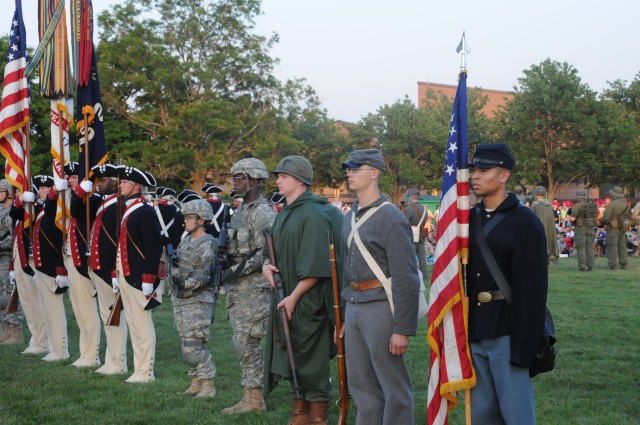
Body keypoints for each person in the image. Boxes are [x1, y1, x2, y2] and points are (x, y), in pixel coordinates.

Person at [467, 143, 548, 425]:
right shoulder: (468, 219)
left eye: (483, 169)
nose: (475, 175)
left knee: (516, 414)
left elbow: (533, 289)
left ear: (504, 176)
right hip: (475, 327)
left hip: (508, 332)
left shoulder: (524, 221)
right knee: (482, 414)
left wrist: (524, 346)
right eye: (474, 169)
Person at [339, 149, 419, 425]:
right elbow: (346, 266)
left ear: (374, 173)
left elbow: (407, 275)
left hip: (382, 308)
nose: (349, 173)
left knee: (393, 386)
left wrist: (402, 328)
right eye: (347, 169)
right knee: (361, 385)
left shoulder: (391, 217)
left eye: (355, 168)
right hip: (355, 306)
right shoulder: (349, 216)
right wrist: (348, 314)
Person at [262, 155, 343, 425]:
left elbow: (317, 265)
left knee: (312, 357)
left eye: (283, 176)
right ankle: (300, 413)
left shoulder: (317, 213)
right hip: (287, 296)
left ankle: (318, 418)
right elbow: (275, 250)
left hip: (311, 300)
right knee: (294, 352)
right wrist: (266, 265)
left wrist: (294, 297)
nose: (278, 180)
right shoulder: (287, 211)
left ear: (298, 180)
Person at [219, 158, 277, 414]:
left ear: (253, 180)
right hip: (238, 287)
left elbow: (267, 251)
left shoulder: (263, 212)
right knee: (241, 342)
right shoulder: (241, 210)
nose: (234, 182)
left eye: (239, 177)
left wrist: (237, 270)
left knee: (247, 342)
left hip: (254, 288)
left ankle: (255, 400)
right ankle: (250, 397)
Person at [113, 165, 163, 383]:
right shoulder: (130, 209)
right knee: (133, 323)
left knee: (142, 324)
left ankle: (146, 372)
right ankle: (138, 369)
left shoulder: (145, 210)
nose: (120, 185)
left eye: (124, 182)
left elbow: (153, 247)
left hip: (139, 276)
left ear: (136, 185)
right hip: (127, 274)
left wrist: (148, 278)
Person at [53, 162, 102, 367]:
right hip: (71, 259)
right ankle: (85, 352)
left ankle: (92, 355)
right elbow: (51, 215)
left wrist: (80, 193)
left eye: (74, 177)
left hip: (84, 260)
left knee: (87, 308)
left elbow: (76, 211)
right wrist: (56, 193)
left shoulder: (93, 200)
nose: (71, 181)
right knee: (78, 309)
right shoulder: (73, 199)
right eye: (69, 177)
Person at [82, 163, 129, 375]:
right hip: (98, 267)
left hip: (108, 269)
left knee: (114, 317)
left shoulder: (118, 204)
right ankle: (112, 361)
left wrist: (114, 271)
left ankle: (118, 363)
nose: (98, 185)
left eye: (102, 181)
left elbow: (120, 241)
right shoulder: (107, 203)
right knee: (107, 316)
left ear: (114, 181)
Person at [170, 199, 217, 398]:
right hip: (181, 299)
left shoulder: (208, 244)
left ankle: (208, 385)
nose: (185, 221)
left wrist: (185, 283)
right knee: (186, 342)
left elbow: (205, 275)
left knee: (194, 345)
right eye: (185, 217)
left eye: (189, 217)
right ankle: (195, 382)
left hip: (198, 300)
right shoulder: (185, 240)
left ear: (201, 220)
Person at [28, 175, 70, 361]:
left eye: (45, 188)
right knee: (47, 311)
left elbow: (59, 240)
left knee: (55, 312)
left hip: (52, 267)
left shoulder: (54, 210)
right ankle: (53, 349)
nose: (40, 191)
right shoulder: (42, 210)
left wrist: (61, 269)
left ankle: (61, 350)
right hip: (42, 267)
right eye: (41, 188)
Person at [9, 182, 48, 353]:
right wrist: (12, 265)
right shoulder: (20, 213)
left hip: (29, 262)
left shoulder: (36, 209)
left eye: (19, 192)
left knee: (35, 303)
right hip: (19, 260)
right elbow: (15, 240)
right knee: (26, 304)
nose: (16, 195)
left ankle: (42, 341)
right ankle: (35, 339)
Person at [0, 179, 22, 345]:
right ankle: (5, 330)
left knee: (10, 292)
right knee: (2, 294)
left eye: (1, 191)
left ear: (8, 192)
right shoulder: (1, 210)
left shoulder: (12, 212)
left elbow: (14, 236)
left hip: (8, 257)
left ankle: (15, 332)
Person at [602, 186, 631, 270]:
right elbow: (630, 216)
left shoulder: (612, 203)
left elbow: (605, 217)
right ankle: (624, 264)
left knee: (612, 246)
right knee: (622, 246)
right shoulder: (626, 204)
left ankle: (612, 265)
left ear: (614, 195)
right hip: (623, 227)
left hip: (612, 227)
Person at [530, 186, 559, 264]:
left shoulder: (535, 205)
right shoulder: (549, 204)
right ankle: (546, 262)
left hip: (538, 229)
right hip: (549, 229)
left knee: (539, 245)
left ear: (536, 194)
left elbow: (530, 218)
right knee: (547, 245)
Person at [568, 189, 596, 271]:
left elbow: (572, 219)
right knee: (589, 247)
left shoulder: (578, 205)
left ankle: (582, 266)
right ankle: (590, 266)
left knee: (581, 247)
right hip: (590, 228)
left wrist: (569, 217)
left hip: (581, 229)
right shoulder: (591, 205)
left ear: (578, 197)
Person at [403, 187, 428, 278]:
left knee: (410, 255)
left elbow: (404, 222)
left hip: (412, 234)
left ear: (411, 197)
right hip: (421, 234)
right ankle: (424, 275)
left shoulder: (409, 209)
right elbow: (425, 220)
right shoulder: (424, 209)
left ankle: (411, 274)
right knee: (422, 257)